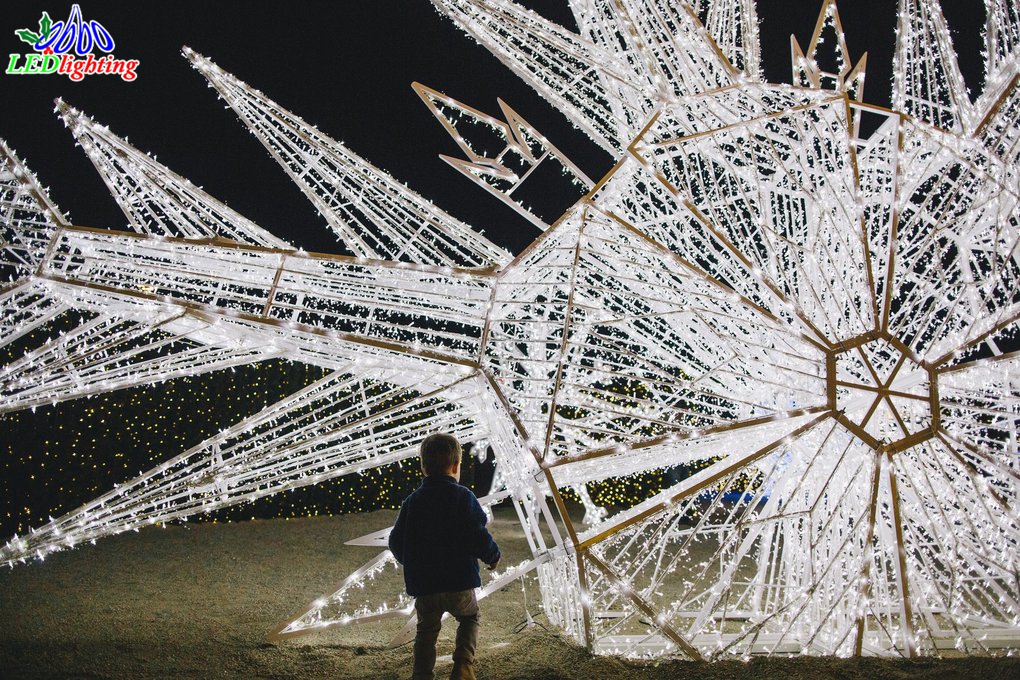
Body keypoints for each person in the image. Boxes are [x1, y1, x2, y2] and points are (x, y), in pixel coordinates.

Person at [388, 433, 501, 680]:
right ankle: (463, 665)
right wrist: (492, 556)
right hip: (459, 582)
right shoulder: (464, 497)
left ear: (424, 467)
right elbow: (477, 533)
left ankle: (421, 674)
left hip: (425, 586)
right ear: (456, 466)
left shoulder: (412, 502)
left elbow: (395, 541)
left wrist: (414, 563)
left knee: (426, 631)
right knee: (470, 618)